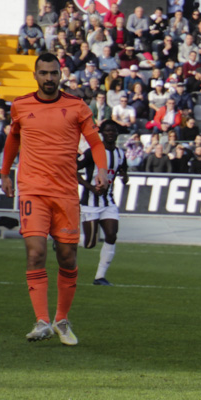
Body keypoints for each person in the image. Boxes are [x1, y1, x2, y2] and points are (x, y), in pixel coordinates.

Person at [0, 52, 110, 346]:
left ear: (60, 76)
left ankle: (61, 319)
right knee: (35, 252)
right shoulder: (21, 105)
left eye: (54, 73)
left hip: (65, 193)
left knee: (67, 256)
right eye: (44, 73)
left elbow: (96, 142)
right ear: (35, 76)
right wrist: (5, 173)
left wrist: (102, 170)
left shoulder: (76, 106)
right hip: (32, 190)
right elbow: (13, 139)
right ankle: (41, 321)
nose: (49, 78)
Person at [78, 120, 129, 286]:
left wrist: (125, 177)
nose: (110, 133)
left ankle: (100, 277)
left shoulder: (120, 153)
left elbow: (123, 171)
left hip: (108, 202)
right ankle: (62, 238)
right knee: (90, 243)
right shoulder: (92, 151)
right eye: (107, 131)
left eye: (113, 131)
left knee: (112, 235)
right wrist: (90, 187)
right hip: (90, 201)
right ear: (102, 133)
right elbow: (73, 170)